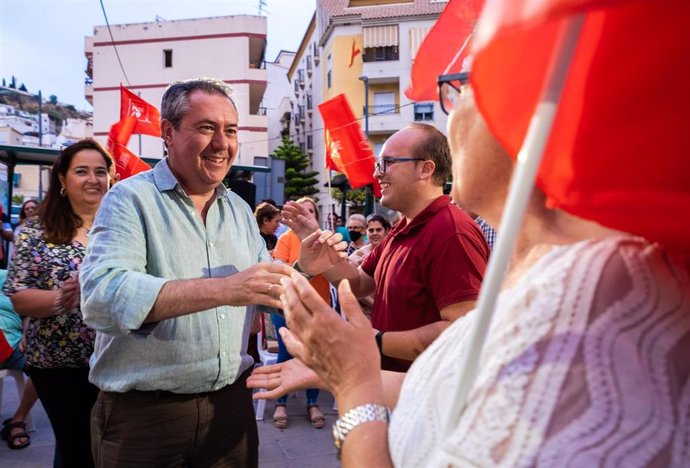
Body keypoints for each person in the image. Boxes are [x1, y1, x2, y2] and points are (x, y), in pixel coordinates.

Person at [248, 75, 690, 466]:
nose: (454, 101)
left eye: (475, 79)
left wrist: (356, 375)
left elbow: (458, 333)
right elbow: (448, 382)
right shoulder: (415, 230)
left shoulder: (579, 301)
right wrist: (336, 295)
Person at [80, 77, 292, 468]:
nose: (221, 143)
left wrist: (303, 267)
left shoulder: (239, 211)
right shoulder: (129, 199)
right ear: (168, 132)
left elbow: (262, 282)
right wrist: (226, 289)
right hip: (145, 419)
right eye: (206, 127)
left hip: (231, 410)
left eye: (230, 130)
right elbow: (103, 298)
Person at [284, 123, 489, 372]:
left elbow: (462, 331)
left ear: (426, 169)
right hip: (392, 389)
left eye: (387, 163)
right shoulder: (404, 226)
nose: (378, 174)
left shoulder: (451, 232)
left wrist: (373, 339)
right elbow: (358, 283)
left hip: (425, 396)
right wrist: (323, 255)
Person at [3, 139, 113, 467]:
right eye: (82, 171)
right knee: (79, 446)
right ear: (63, 180)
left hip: (116, 360)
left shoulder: (121, 228)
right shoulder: (35, 231)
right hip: (58, 364)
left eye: (100, 171)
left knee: (106, 447)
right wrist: (65, 299)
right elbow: (19, 296)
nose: (93, 179)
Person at [271, 196, 330, 429]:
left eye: (310, 212)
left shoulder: (325, 239)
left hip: (318, 307)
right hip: (286, 306)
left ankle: (313, 403)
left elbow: (337, 268)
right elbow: (278, 268)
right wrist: (306, 266)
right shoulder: (285, 239)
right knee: (286, 354)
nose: (306, 216)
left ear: (316, 216)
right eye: (301, 212)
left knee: (314, 355)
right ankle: (280, 402)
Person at [0, 269, 38, 450]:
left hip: (14, 343)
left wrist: (26, 334)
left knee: (45, 368)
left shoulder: (8, 276)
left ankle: (18, 419)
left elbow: (29, 311)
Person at [348, 214, 392, 319]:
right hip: (368, 315)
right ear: (365, 232)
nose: (374, 233)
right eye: (371, 230)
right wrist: (378, 306)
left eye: (378, 230)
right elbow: (355, 287)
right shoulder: (357, 257)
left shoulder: (395, 252)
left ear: (386, 231)